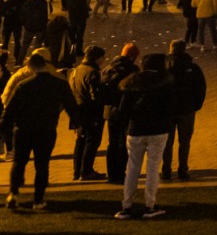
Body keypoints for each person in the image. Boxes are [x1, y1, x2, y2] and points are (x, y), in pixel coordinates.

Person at [0, 48, 75, 211]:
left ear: (32, 66)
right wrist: (77, 123)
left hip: (23, 129)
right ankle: (38, 199)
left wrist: (6, 126)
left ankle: (13, 193)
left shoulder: (23, 85)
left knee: (19, 162)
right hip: (46, 129)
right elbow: (71, 106)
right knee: (42, 164)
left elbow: (9, 110)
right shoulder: (58, 84)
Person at [115, 53, 175, 220]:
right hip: (158, 130)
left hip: (136, 130)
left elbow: (122, 110)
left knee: (132, 168)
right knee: (153, 168)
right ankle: (150, 205)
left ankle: (126, 206)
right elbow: (171, 107)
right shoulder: (164, 82)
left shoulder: (133, 82)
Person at [162, 41, 207, 181]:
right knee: (185, 141)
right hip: (186, 109)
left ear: (171, 50)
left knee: (167, 142)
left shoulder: (163, 67)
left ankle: (166, 170)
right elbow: (201, 87)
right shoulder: (192, 67)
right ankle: (183, 169)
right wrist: (196, 105)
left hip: (168, 110)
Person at [101, 42, 141, 184]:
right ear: (133, 56)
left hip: (110, 111)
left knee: (112, 142)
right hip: (126, 111)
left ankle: (112, 173)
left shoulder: (109, 68)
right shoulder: (133, 70)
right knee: (124, 143)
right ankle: (121, 172)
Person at [68, 46, 106, 182]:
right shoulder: (92, 72)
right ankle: (86, 171)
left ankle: (77, 171)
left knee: (80, 141)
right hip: (91, 112)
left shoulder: (76, 70)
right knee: (92, 141)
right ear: (97, 58)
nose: (103, 60)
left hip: (79, 111)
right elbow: (96, 95)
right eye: (102, 57)